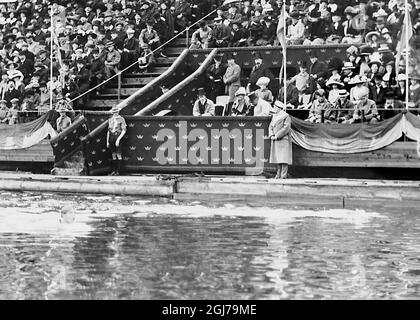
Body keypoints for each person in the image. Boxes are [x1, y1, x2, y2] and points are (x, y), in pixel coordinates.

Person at [269, 100, 292, 179]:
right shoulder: (274, 116)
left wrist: (277, 135)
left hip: (283, 139)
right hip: (275, 140)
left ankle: (283, 175)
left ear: (279, 108)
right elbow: (270, 127)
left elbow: (286, 128)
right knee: (277, 158)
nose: (274, 108)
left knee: (284, 158)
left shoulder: (286, 116)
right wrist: (272, 134)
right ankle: (278, 174)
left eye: (275, 107)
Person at [107, 106, 127, 176]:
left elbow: (124, 130)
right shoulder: (110, 119)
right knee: (113, 154)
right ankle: (114, 170)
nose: (115, 113)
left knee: (118, 154)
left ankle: (118, 171)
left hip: (118, 135)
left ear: (118, 112)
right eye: (114, 112)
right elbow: (108, 131)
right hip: (111, 137)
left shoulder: (121, 119)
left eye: (116, 112)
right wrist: (107, 141)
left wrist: (118, 139)